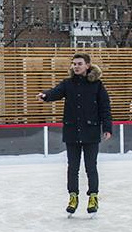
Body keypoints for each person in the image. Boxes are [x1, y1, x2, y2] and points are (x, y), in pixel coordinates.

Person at [37, 53, 113, 214]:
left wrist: (107, 128)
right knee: (73, 167)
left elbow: (105, 108)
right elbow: (55, 92)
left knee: (91, 167)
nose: (76, 66)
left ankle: (93, 196)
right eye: (74, 64)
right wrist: (45, 96)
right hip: (72, 131)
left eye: (79, 64)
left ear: (87, 65)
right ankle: (73, 196)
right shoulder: (67, 84)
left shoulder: (97, 85)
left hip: (90, 132)